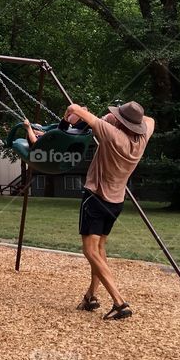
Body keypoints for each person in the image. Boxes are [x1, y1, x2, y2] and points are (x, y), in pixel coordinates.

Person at [53, 101, 153, 320]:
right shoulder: (142, 138)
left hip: (96, 198)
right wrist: (121, 120)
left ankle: (119, 302)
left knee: (90, 251)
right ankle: (91, 296)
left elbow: (75, 110)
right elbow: (149, 120)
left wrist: (72, 111)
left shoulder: (112, 134)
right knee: (99, 249)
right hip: (116, 202)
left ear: (122, 123)